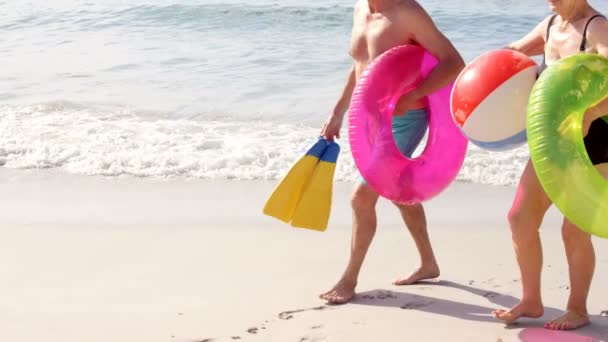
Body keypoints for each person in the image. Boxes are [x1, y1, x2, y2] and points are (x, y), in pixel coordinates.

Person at [318, 0, 464, 305]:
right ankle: (428, 263)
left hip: (403, 118)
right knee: (398, 189)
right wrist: (337, 112)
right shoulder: (361, 9)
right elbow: (363, 65)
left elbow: (453, 62)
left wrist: (414, 96)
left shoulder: (407, 13)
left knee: (361, 197)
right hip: (370, 116)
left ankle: (349, 279)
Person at [493, 0, 608, 330]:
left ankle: (578, 308)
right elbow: (512, 52)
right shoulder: (549, 26)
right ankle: (531, 300)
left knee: (574, 228)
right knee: (520, 217)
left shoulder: (596, 28)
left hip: (594, 137)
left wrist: (590, 113)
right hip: (553, 138)